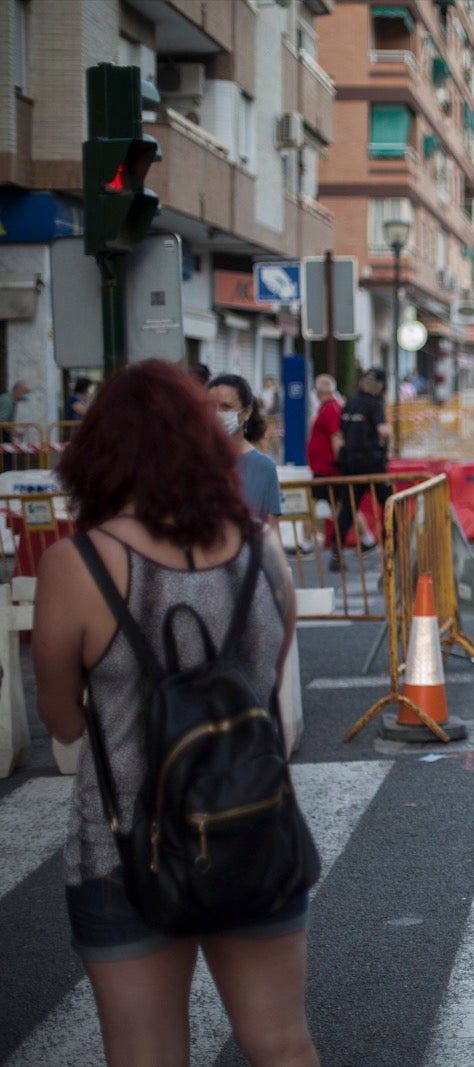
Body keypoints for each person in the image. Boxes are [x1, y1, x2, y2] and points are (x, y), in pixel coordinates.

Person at [30, 360, 314, 1067]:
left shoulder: (79, 566)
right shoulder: (261, 554)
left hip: (123, 844)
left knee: (146, 1056)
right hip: (251, 824)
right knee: (281, 1044)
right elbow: (266, 690)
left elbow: (63, 722)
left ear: (99, 452)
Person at [331, 369, 391, 571]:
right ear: (379, 387)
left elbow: (339, 435)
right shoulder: (375, 405)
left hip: (351, 465)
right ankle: (392, 546)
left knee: (348, 510)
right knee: (389, 503)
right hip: (373, 464)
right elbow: (383, 430)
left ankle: (336, 553)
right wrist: (386, 447)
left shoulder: (349, 403)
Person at [208, 374, 282, 524]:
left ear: (247, 412)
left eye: (226, 407)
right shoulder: (191, 460)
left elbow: (272, 530)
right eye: (210, 407)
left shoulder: (264, 467)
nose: (217, 414)